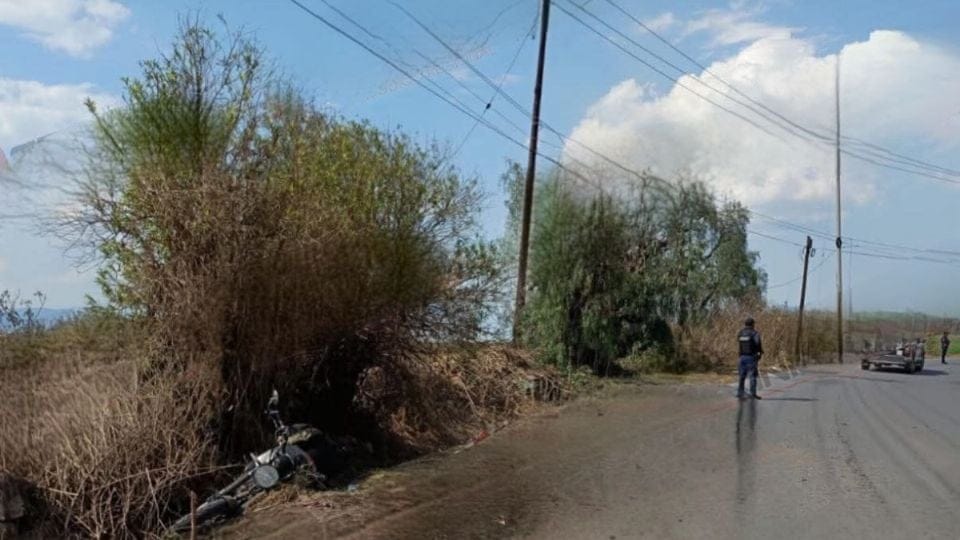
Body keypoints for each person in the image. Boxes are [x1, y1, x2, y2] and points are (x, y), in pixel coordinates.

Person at [736, 317, 763, 399]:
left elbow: (739, 343)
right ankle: (753, 394)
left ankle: (740, 393)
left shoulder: (740, 333)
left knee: (742, 376)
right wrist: (760, 353)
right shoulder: (754, 333)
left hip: (741, 357)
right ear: (753, 324)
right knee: (752, 376)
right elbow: (758, 343)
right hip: (751, 357)